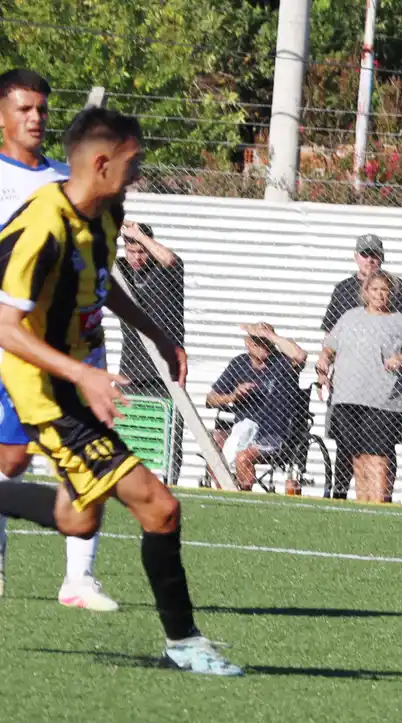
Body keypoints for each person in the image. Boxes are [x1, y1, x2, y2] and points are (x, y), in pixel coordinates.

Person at [0, 107, 241, 674]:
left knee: (78, 519)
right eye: (133, 162)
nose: (138, 173)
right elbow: (6, 327)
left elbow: (101, 286)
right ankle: (184, 644)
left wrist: (157, 331)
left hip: (77, 382)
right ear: (102, 162)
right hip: (48, 392)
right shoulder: (45, 225)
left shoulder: (107, 215)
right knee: (160, 506)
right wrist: (82, 374)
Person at [0, 68, 108, 609]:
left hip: (63, 345)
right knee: (12, 460)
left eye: (41, 108)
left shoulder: (65, 181)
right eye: (23, 109)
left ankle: (79, 577)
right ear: (2, 115)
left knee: (85, 455)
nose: (35, 118)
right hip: (8, 344)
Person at [321, 233, 402, 500]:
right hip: (348, 387)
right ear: (356, 257)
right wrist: (325, 371)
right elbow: (330, 338)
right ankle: (341, 495)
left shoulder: (400, 290)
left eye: (374, 254)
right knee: (347, 446)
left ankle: (381, 499)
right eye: (365, 254)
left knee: (380, 450)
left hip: (382, 391)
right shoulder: (343, 291)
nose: (370, 259)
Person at [117, 219, 185, 484]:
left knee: (168, 432)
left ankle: (170, 480)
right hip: (132, 367)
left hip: (164, 368)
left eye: (141, 251)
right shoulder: (120, 268)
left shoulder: (167, 270)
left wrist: (140, 236)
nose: (136, 257)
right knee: (130, 429)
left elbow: (169, 258)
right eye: (131, 251)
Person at [206, 323, 307, 492]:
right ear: (248, 343)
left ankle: (244, 495)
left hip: (273, 433)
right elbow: (210, 399)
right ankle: (223, 493)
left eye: (267, 342)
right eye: (259, 342)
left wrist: (270, 335)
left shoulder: (282, 363)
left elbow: (300, 355)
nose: (265, 347)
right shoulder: (238, 364)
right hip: (241, 429)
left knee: (243, 457)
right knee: (214, 447)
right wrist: (233, 396)